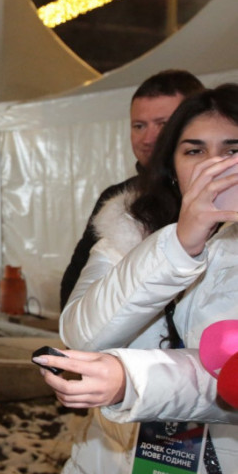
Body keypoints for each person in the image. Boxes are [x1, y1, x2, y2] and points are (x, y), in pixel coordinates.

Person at [40, 84, 238, 474]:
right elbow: (82, 334)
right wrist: (179, 244)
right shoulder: (128, 225)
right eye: (194, 151)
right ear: (172, 164)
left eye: (232, 149)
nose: (214, 165)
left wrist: (131, 380)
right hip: (120, 465)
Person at [59, 69, 204, 309]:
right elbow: (74, 287)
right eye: (139, 126)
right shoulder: (118, 199)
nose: (148, 138)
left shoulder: (222, 197)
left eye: (163, 124)